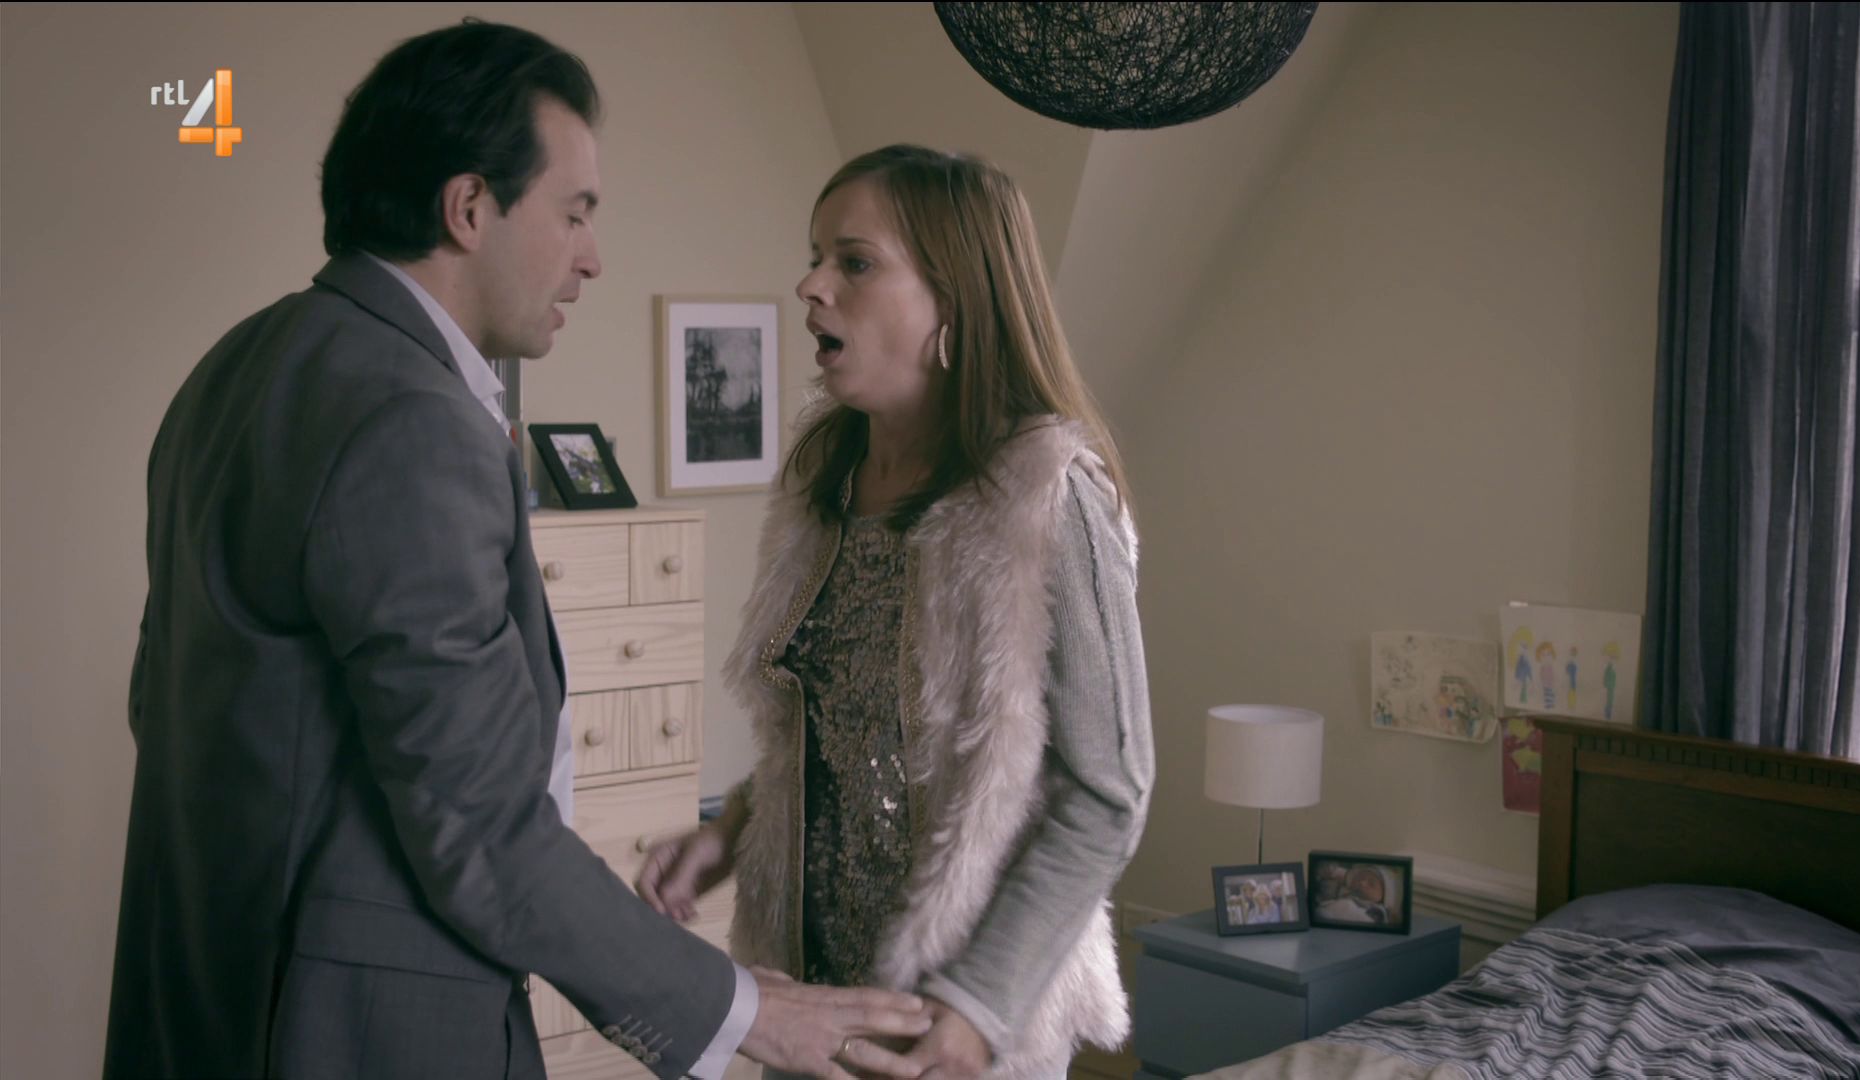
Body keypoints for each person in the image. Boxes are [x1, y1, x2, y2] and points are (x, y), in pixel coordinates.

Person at [104, 21, 929, 1080]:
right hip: (356, 1029)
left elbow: (164, 703)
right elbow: (483, 826)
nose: (592, 256)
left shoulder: (236, 367)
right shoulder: (410, 419)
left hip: (204, 990)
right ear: (468, 208)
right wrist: (741, 1011)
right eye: (574, 213)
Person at [640, 145, 1155, 1079]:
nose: (811, 286)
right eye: (815, 257)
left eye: (855, 262)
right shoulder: (823, 483)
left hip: (962, 1027)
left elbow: (1108, 794)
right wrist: (728, 832)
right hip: (810, 1008)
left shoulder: (1051, 498)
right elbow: (830, 733)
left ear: (954, 299)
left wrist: (976, 1008)